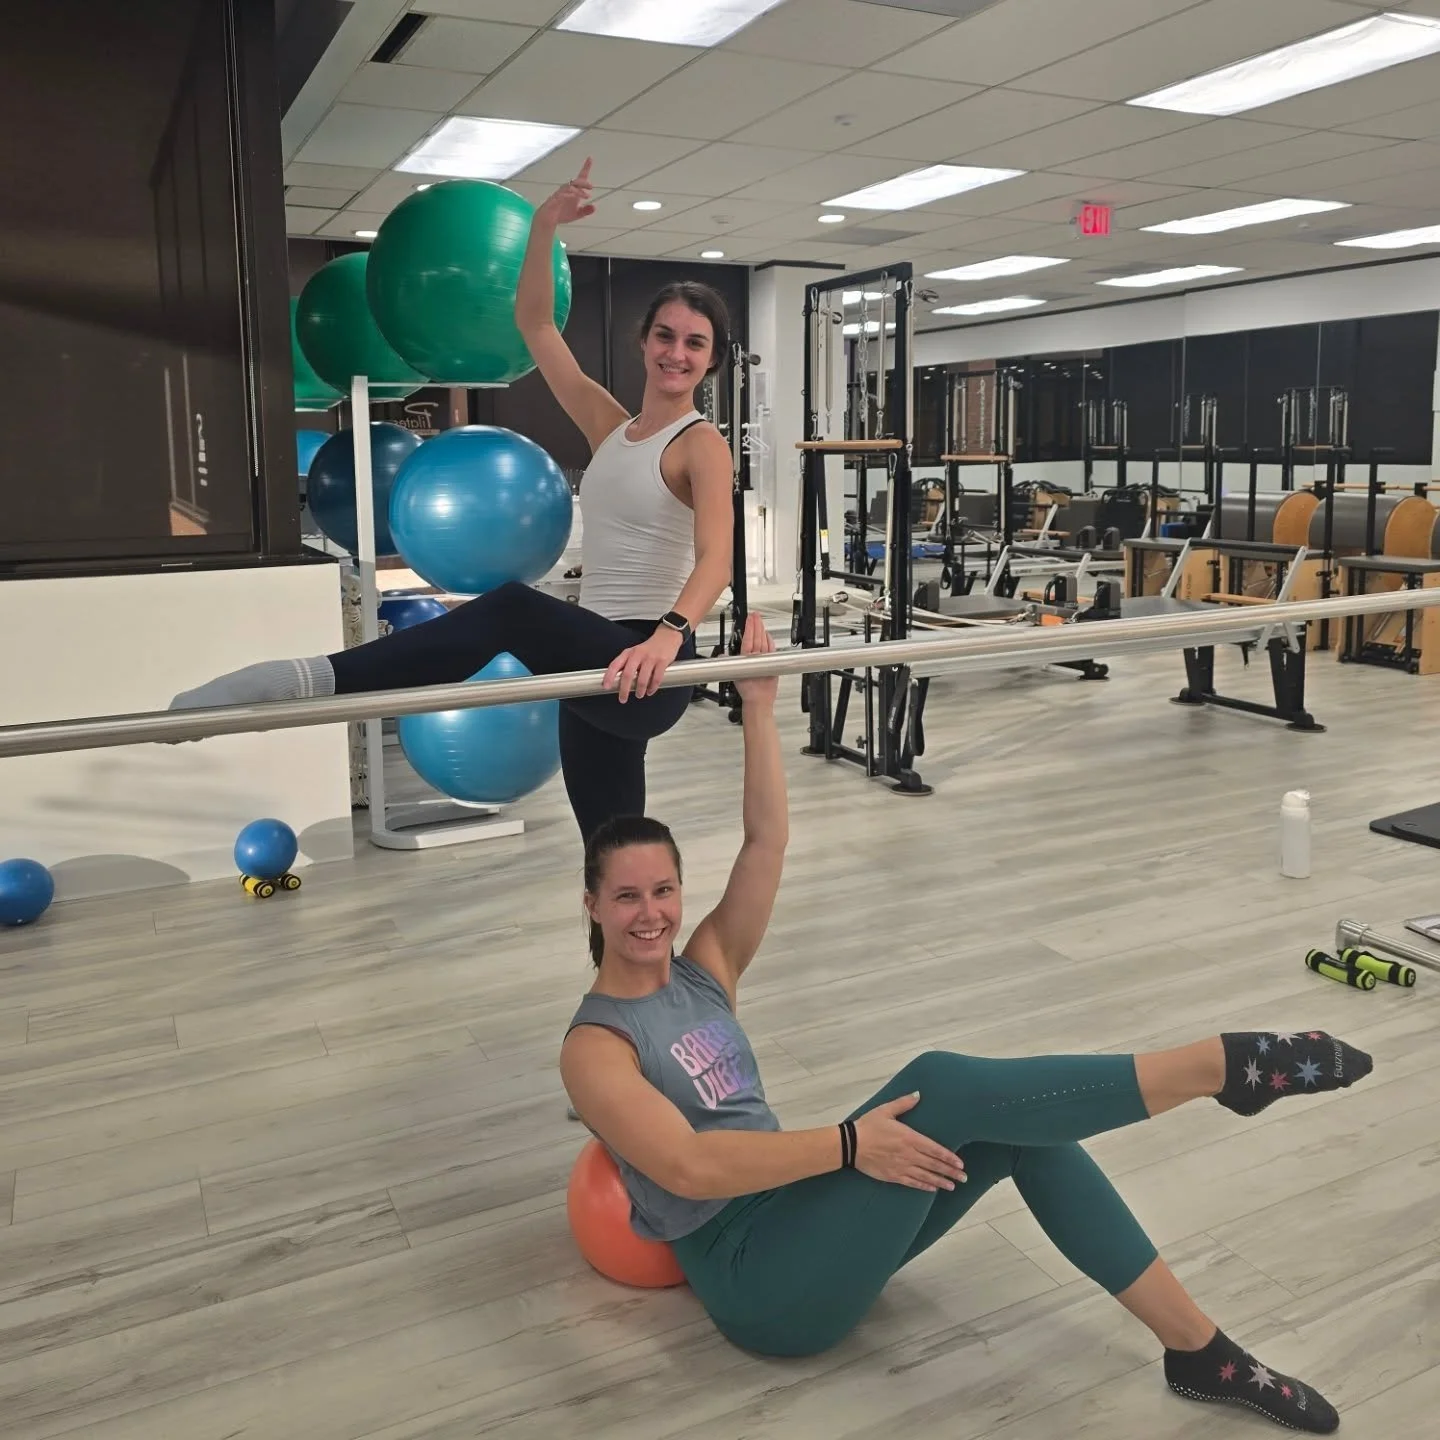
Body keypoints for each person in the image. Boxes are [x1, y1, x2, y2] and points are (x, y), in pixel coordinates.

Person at [560, 615, 1367, 1435]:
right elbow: (690, 1167)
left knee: (1018, 1133)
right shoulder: (595, 1046)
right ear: (591, 904)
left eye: (663, 891)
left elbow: (766, 843)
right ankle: (1217, 1069)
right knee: (942, 1081)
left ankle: (1202, 1352)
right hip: (756, 1283)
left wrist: (761, 709)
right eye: (627, 896)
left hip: (801, 1217)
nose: (651, 913)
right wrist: (849, 1144)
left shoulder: (704, 973)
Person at [169, 159, 735, 843]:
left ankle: (299, 680)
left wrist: (670, 635)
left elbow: (717, 559)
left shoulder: (702, 443)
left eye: (694, 344)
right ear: (644, 342)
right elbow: (534, 325)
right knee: (610, 852)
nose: (676, 352)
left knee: (511, 608)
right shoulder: (610, 426)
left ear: (712, 361)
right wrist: (545, 227)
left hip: (649, 666)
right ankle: (632, 950)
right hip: (596, 659)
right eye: (666, 336)